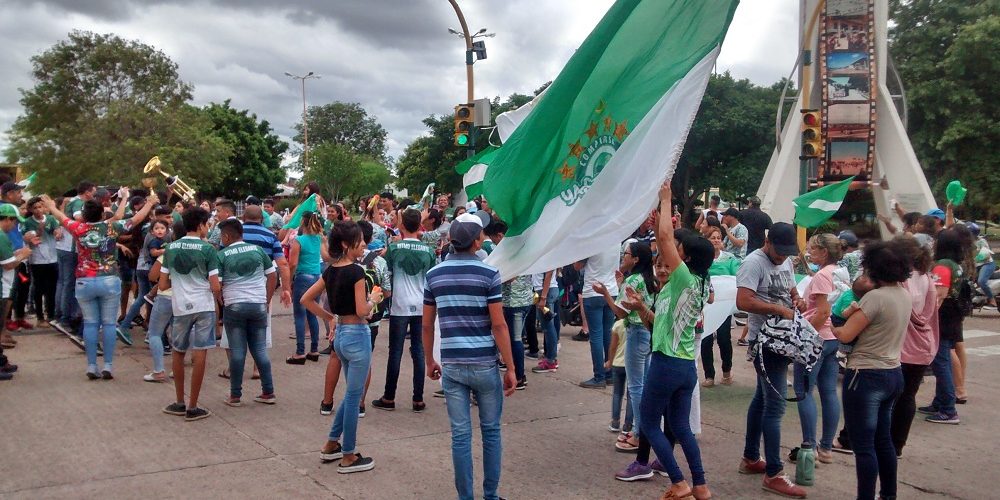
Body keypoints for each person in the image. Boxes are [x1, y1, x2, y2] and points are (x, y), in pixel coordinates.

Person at [422, 210, 517, 500]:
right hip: (484, 363)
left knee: (460, 437)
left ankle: (465, 497)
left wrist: (429, 360)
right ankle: (491, 495)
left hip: (451, 363)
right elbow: (499, 324)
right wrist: (511, 367)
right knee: (491, 432)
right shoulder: (489, 273)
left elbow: (426, 324)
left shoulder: (434, 275)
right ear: (477, 242)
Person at [631, 181, 714, 500]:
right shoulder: (691, 283)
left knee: (649, 424)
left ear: (687, 258)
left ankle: (679, 482)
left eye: (678, 249)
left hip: (666, 365)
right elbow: (659, 323)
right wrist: (641, 308)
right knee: (680, 426)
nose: (669, 249)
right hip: (682, 366)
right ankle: (701, 485)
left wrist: (666, 199)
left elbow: (665, 238)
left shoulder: (684, 278)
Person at [42, 191, 155, 378]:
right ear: (103, 215)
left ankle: (91, 365)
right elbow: (135, 219)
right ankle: (108, 365)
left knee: (91, 324)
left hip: (85, 280)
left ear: (84, 215)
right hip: (109, 279)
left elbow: (62, 218)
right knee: (109, 324)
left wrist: (51, 206)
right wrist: (150, 203)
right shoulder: (111, 228)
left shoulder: (79, 228)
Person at [833, 240, 911, 500]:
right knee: (883, 441)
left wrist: (831, 325)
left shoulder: (875, 298)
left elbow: (845, 335)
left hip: (865, 375)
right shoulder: (903, 294)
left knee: (864, 447)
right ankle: (888, 494)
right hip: (893, 372)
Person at [736, 222, 808, 498]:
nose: (782, 257)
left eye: (787, 253)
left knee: (762, 400)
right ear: (768, 242)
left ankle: (751, 458)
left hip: (783, 339)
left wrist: (797, 300)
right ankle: (774, 473)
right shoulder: (754, 263)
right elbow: (743, 301)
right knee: (776, 407)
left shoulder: (786, 261)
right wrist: (776, 308)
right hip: (765, 341)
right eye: (779, 252)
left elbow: (791, 289)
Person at [307, 220, 382, 473]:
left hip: (340, 336)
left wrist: (329, 318)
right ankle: (348, 455)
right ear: (345, 244)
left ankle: (331, 444)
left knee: (351, 394)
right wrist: (373, 300)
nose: (362, 246)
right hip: (357, 335)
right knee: (353, 397)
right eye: (358, 242)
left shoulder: (330, 270)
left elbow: (306, 298)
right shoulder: (357, 272)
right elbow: (362, 310)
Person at [592, 240, 656, 452]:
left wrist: (606, 294)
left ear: (636, 259)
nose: (623, 256)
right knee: (643, 385)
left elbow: (620, 312)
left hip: (636, 333)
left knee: (636, 387)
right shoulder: (648, 279)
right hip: (647, 333)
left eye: (626, 253)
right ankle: (642, 429)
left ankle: (639, 433)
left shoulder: (634, 280)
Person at [372, 208, 436, 412]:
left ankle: (389, 397)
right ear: (420, 226)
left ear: (401, 225)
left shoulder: (394, 248)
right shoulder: (429, 251)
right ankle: (418, 399)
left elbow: (387, 276)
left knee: (396, 352)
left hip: (399, 306)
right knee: (419, 351)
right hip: (422, 306)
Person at [160, 207, 219, 422]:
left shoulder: (171, 248)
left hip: (180, 305)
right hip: (203, 305)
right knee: (200, 351)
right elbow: (214, 285)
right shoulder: (208, 249)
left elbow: (163, 282)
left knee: (178, 351)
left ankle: (179, 401)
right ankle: (193, 405)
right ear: (201, 225)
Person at [789, 234, 843, 466]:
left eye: (812, 249)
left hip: (819, 336)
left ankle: (809, 445)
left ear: (823, 251)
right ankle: (827, 446)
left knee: (803, 391)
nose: (809, 252)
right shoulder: (838, 272)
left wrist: (807, 339)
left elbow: (822, 312)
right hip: (832, 338)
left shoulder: (822, 275)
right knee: (829, 391)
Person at [217, 219, 277, 407]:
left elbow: (216, 284)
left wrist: (221, 301)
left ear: (226, 236)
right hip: (258, 305)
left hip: (234, 305)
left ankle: (235, 395)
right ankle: (268, 392)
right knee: (259, 350)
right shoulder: (257, 250)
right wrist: (265, 300)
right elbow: (272, 275)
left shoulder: (222, 254)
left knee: (237, 352)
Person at [890, 235, 940, 456]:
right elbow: (930, 312)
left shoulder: (900, 280)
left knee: (888, 398)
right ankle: (897, 445)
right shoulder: (926, 278)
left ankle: (885, 443)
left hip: (900, 346)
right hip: (922, 345)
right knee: (908, 397)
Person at [919, 228, 971, 424]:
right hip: (953, 316)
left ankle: (948, 409)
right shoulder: (957, 264)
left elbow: (939, 295)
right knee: (943, 359)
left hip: (942, 317)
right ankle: (939, 401)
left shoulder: (941, 266)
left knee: (941, 362)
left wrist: (925, 318)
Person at [288, 211, 327, 364]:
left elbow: (293, 263)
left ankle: (300, 351)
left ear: (302, 223)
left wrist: (289, 281)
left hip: (303, 277)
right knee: (312, 313)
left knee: (299, 314)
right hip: (316, 277)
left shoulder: (299, 240)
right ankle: (314, 349)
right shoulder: (319, 239)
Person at [578, 244, 620, 388]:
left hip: (593, 291)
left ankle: (599, 376)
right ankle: (609, 373)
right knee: (608, 333)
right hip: (611, 291)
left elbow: (578, 265)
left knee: (596, 335)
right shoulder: (617, 238)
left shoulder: (594, 240)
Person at [703, 226, 738, 387]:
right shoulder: (703, 258)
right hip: (706, 305)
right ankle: (709, 375)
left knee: (724, 339)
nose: (716, 240)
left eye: (718, 237)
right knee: (706, 339)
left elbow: (736, 277)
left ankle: (727, 371)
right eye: (713, 237)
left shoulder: (730, 258)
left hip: (724, 306)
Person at [21, 197, 59, 328]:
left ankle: (51, 315)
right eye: (35, 208)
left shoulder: (51, 219)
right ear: (31, 209)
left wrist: (57, 232)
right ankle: (40, 317)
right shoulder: (27, 222)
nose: (38, 210)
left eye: (40, 207)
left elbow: (56, 231)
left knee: (52, 288)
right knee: (39, 288)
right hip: (37, 260)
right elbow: (29, 238)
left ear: (44, 207)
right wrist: (39, 231)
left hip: (52, 258)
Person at [0, 205, 32, 351]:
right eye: (14, 222)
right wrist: (22, 255)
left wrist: (16, 253)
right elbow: (8, 265)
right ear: (7, 219)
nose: (14, 226)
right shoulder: (1, 236)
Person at [970, 223, 996, 309]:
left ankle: (992, 300)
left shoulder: (981, 241)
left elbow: (985, 255)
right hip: (977, 266)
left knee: (981, 281)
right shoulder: (967, 243)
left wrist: (973, 260)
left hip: (987, 264)